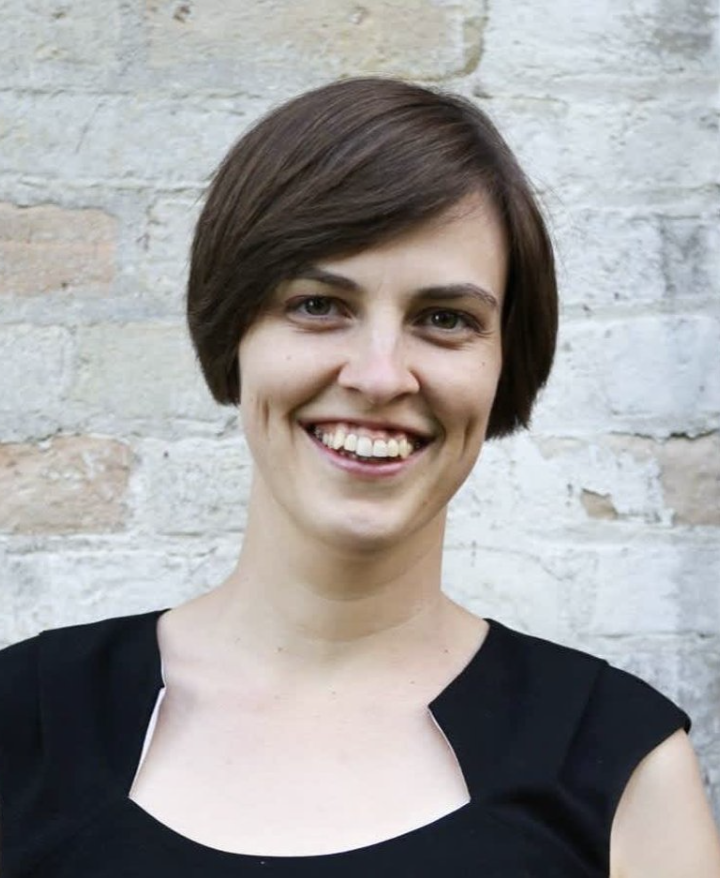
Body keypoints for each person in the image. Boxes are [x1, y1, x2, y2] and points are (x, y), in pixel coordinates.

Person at [0, 77, 718, 877]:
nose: (380, 376)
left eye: (444, 319)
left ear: (505, 364)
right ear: (234, 331)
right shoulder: (23, 724)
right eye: (318, 305)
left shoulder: (621, 768)